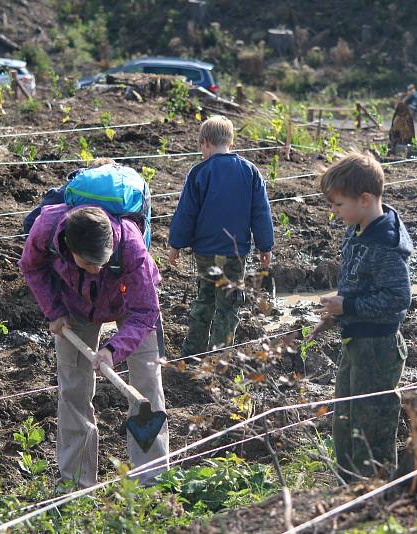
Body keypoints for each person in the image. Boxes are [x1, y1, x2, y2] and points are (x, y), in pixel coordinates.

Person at [19, 201, 168, 488]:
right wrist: (54, 311)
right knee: (73, 390)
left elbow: (145, 311)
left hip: (131, 305)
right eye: (88, 263)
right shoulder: (47, 230)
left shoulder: (131, 246)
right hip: (74, 309)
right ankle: (76, 483)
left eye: (102, 262)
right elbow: (31, 267)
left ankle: (153, 482)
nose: (97, 270)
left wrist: (112, 349)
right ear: (68, 247)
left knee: (147, 388)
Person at [309, 151, 412, 482]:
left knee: (371, 425)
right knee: (345, 418)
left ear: (365, 199)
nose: (334, 212)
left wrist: (348, 307)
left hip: (378, 348)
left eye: (339, 205)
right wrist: (336, 315)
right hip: (356, 341)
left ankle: (375, 491)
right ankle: (347, 487)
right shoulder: (358, 230)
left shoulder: (385, 244)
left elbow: (398, 299)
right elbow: (356, 284)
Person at [168, 115, 274, 357]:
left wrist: (176, 244)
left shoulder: (199, 173)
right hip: (235, 254)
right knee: (229, 304)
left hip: (205, 252)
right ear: (231, 144)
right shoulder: (250, 172)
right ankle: (220, 357)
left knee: (204, 300)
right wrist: (265, 246)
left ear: (204, 142)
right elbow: (261, 212)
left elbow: (186, 212)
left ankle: (192, 352)